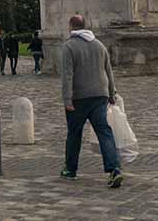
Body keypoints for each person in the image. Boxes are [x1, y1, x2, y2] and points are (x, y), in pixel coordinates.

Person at [60, 15, 122, 187]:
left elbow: (67, 75)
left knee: (74, 134)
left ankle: (70, 170)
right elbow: (108, 72)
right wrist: (112, 94)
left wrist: (67, 98)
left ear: (72, 26)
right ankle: (114, 169)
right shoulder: (99, 45)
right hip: (99, 95)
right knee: (104, 132)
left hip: (79, 97)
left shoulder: (69, 46)